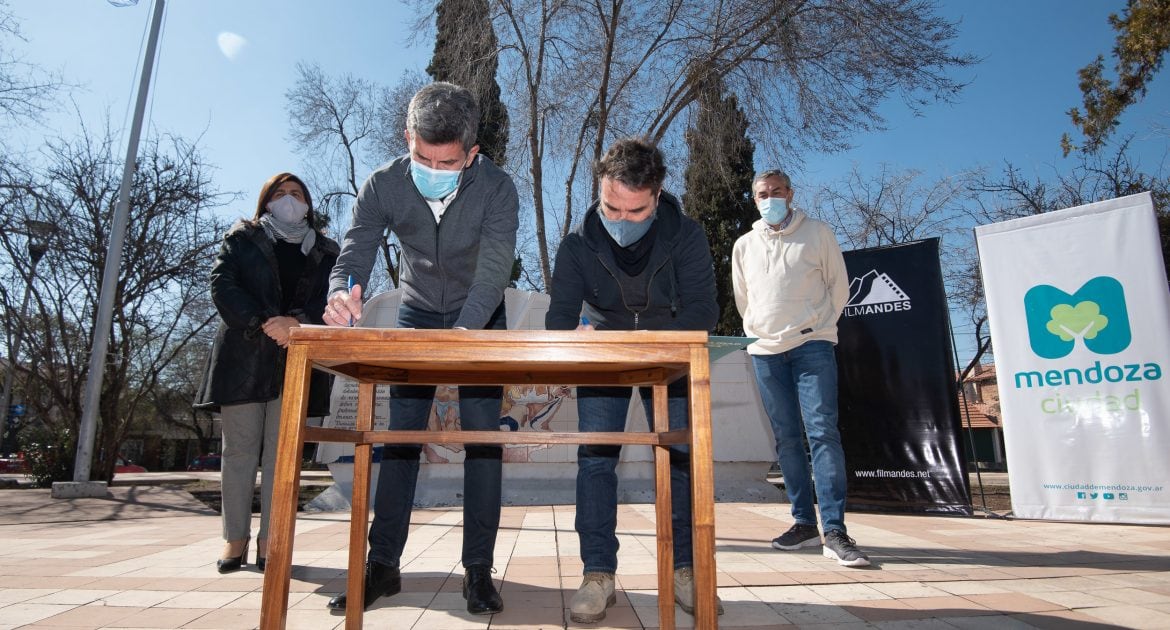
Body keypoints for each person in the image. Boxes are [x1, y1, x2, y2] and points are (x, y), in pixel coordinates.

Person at [322, 82, 519, 615]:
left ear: (471, 153)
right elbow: (356, 248)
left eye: (448, 161)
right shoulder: (383, 184)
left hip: (480, 319)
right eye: (421, 156)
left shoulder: (498, 188)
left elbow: (494, 270)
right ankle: (381, 566)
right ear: (407, 137)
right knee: (400, 441)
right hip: (416, 313)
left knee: (482, 443)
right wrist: (341, 290)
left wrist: (464, 337)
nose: (432, 168)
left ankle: (478, 570)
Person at [545, 137, 722, 623]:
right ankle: (597, 574)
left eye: (635, 211)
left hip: (671, 354)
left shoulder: (686, 235)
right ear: (599, 189)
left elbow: (704, 310)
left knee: (681, 461)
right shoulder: (577, 243)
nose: (620, 220)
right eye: (610, 206)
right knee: (596, 460)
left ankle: (686, 569)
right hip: (604, 356)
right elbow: (558, 317)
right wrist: (577, 337)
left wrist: (652, 341)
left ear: (658, 195)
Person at [195, 172, 339, 574]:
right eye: (280, 194)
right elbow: (222, 284)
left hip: (296, 359)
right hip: (244, 357)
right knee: (239, 451)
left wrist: (298, 325)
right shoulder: (242, 239)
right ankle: (234, 538)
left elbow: (332, 300)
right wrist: (264, 321)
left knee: (283, 456)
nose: (289, 200)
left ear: (308, 203)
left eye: (296, 194)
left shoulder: (327, 251)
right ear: (265, 202)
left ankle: (271, 541)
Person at [731, 169, 870, 567]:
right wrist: (759, 332)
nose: (769, 198)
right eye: (762, 193)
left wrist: (818, 325)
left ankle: (836, 531)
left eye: (776, 191)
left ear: (790, 194)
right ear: (754, 198)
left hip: (812, 345)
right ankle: (804, 524)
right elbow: (744, 298)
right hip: (765, 352)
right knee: (787, 439)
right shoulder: (744, 245)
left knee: (823, 432)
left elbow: (838, 287)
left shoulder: (819, 233)